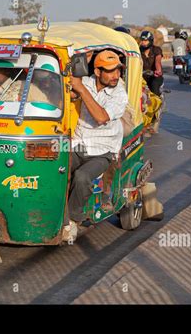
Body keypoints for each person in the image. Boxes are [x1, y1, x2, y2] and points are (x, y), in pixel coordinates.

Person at [67, 50, 128, 236]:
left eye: (118, 70)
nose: (116, 75)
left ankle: (73, 219)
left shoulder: (119, 94)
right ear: (97, 71)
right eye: (110, 71)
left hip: (103, 150)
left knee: (82, 177)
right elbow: (69, 93)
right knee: (56, 169)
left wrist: (81, 90)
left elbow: (101, 117)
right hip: (78, 143)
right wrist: (74, 90)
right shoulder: (85, 82)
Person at [140, 30, 164, 96]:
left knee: (154, 87)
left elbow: (157, 62)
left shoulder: (156, 49)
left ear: (150, 41)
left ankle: (157, 103)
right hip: (142, 77)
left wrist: (158, 70)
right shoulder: (138, 50)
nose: (143, 42)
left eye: (145, 40)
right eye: (142, 40)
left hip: (155, 76)